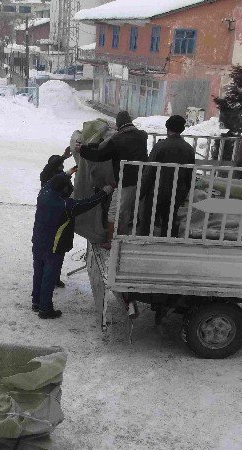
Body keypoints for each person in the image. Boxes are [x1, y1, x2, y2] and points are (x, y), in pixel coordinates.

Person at [32, 174, 114, 319]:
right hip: (53, 247)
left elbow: (53, 179)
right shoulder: (65, 206)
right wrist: (105, 191)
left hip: (38, 241)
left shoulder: (43, 191)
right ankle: (45, 309)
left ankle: (36, 302)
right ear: (63, 189)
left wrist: (69, 172)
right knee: (48, 277)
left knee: (39, 272)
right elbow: (88, 202)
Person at [75, 111, 148, 236]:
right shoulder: (142, 136)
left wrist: (82, 149)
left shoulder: (118, 139)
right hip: (142, 178)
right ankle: (123, 234)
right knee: (129, 210)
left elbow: (100, 155)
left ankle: (112, 240)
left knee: (114, 212)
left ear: (119, 125)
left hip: (126, 181)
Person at [137, 115, 196, 238]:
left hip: (156, 191)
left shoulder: (160, 146)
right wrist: (184, 193)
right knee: (169, 221)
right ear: (182, 130)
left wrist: (140, 193)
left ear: (167, 128)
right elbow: (189, 175)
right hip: (176, 192)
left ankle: (142, 245)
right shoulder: (189, 149)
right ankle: (167, 244)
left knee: (147, 221)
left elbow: (149, 172)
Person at [40, 147, 77, 288]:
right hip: (51, 221)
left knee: (60, 250)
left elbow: (71, 194)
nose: (60, 170)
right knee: (51, 251)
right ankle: (48, 277)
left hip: (64, 219)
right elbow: (49, 169)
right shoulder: (46, 178)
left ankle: (55, 277)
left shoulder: (64, 178)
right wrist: (64, 156)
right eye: (58, 167)